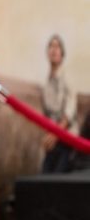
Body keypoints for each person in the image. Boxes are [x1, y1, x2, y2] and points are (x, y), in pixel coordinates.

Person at [40, 34, 78, 174]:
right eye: (51, 46)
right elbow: (47, 115)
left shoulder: (68, 77)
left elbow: (69, 113)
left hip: (67, 139)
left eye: (57, 46)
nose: (54, 50)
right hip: (53, 139)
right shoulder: (46, 84)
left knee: (57, 177)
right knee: (44, 175)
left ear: (62, 53)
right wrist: (49, 136)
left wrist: (55, 135)